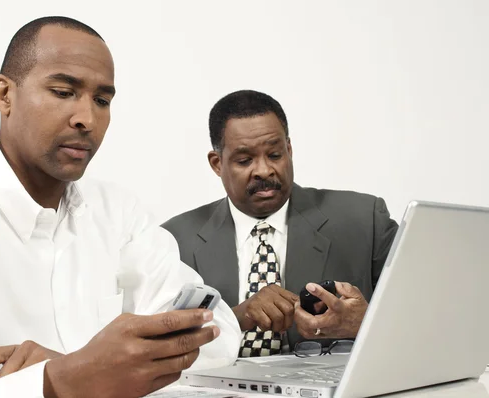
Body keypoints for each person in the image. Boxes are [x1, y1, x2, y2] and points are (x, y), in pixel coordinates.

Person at [0, 17, 241, 397]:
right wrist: (57, 380)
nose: (86, 119)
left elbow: (218, 331)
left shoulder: (119, 214)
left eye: (102, 101)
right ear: (5, 95)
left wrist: (77, 368)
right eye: (62, 92)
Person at [162, 90, 398, 357]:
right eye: (244, 160)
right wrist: (237, 317)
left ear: (289, 149)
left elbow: (427, 311)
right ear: (217, 164)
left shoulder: (364, 220)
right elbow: (159, 344)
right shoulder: (174, 240)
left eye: (275, 155)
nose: (264, 170)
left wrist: (364, 322)